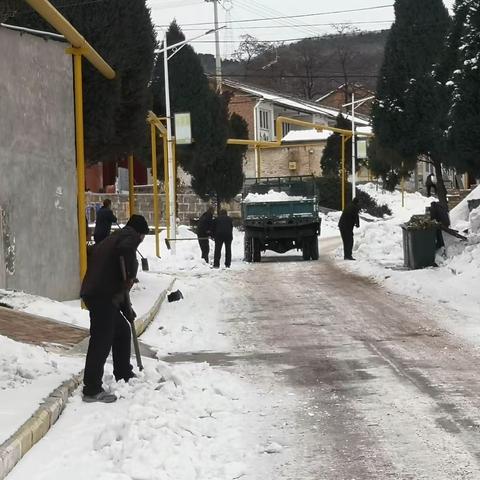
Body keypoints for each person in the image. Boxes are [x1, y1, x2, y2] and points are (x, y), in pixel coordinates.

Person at [80, 214, 149, 403]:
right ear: (140, 233)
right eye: (142, 237)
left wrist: (127, 310)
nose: (140, 241)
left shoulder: (115, 238)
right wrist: (130, 273)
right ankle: (92, 389)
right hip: (101, 295)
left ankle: (123, 372)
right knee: (102, 340)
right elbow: (126, 251)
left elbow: (116, 283)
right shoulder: (129, 238)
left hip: (100, 293)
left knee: (121, 331)